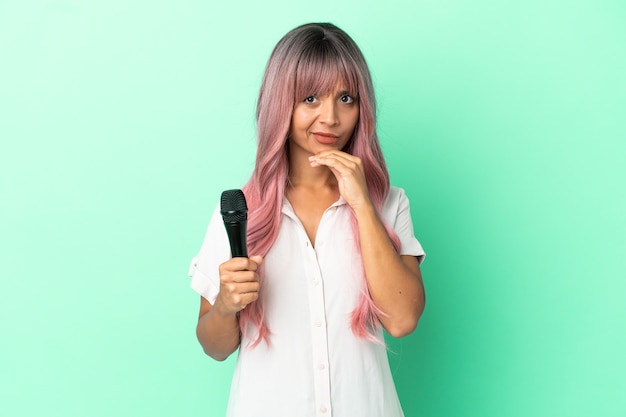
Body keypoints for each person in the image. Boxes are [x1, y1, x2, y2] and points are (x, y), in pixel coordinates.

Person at [189, 22, 426, 417]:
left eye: (346, 98)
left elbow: (402, 320)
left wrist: (362, 204)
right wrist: (227, 306)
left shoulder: (388, 204)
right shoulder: (239, 211)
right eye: (311, 98)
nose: (330, 117)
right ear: (282, 102)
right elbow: (214, 347)